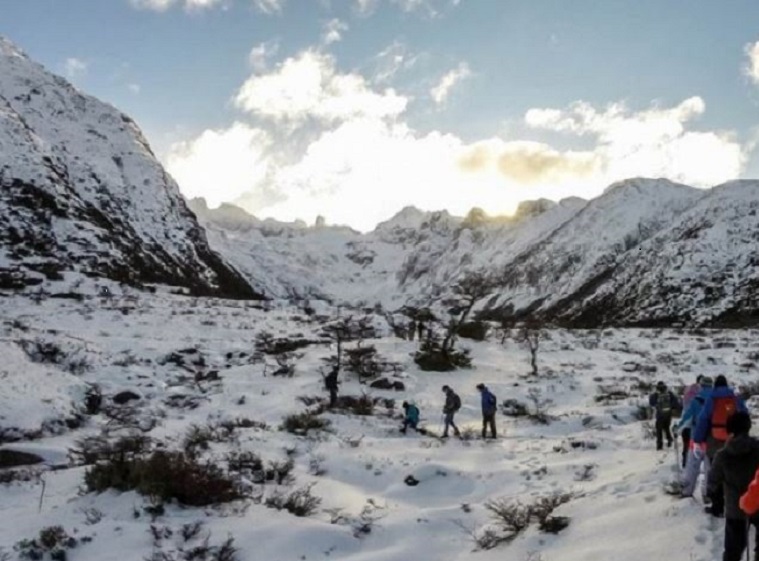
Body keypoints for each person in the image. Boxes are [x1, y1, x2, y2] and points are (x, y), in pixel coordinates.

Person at [707, 412, 759, 561]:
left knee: (732, 552)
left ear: (729, 430)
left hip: (735, 510)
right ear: (748, 427)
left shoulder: (722, 455)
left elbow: (712, 482)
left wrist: (716, 498)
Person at [693, 374, 748, 516]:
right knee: (735, 472)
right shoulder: (734, 398)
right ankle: (738, 506)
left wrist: (698, 438)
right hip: (733, 439)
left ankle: (717, 508)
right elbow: (745, 415)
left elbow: (703, 419)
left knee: (716, 473)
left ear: (715, 385)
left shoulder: (711, 398)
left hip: (714, 441)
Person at [674, 376, 712, 497]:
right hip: (713, 440)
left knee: (692, 467)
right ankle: (708, 494)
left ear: (701, 385)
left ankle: (687, 491)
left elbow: (687, 418)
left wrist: (677, 429)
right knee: (709, 469)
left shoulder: (696, 400)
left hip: (696, 439)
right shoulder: (715, 400)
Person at [680, 375, 705, 466]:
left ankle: (684, 464)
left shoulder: (688, 391)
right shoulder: (702, 394)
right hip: (697, 426)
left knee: (686, 446)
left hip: (686, 425)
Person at [649, 381, 680, 450]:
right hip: (668, 414)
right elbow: (675, 402)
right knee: (666, 428)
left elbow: (651, 403)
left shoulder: (655, 395)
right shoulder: (669, 393)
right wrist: (672, 408)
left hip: (660, 415)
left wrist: (656, 406)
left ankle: (659, 445)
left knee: (659, 430)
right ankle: (669, 439)